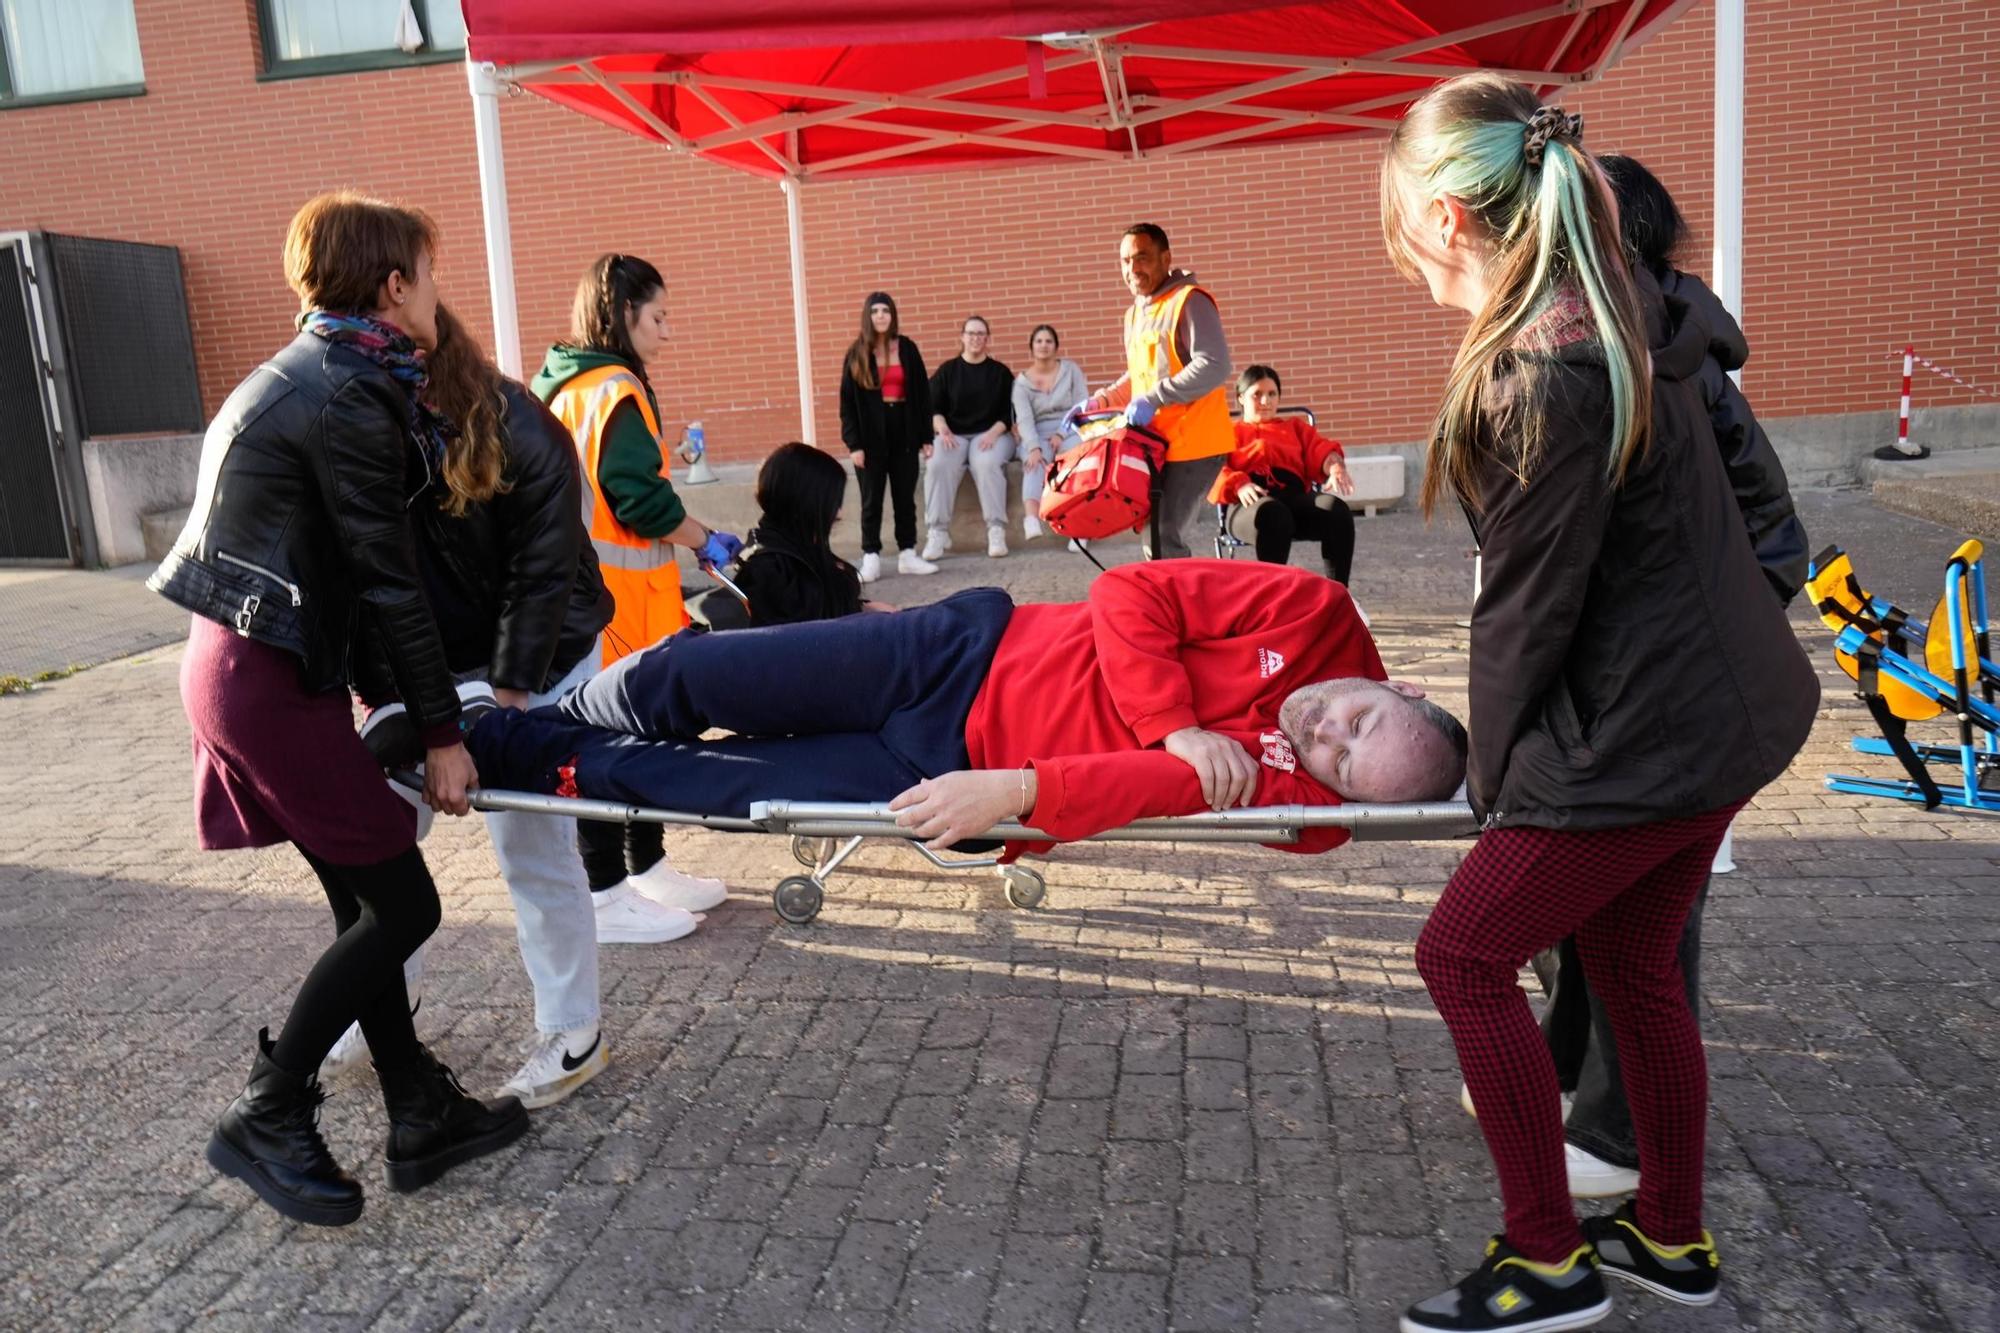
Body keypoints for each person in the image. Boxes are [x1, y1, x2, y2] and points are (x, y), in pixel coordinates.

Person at [1379, 76, 1818, 1333]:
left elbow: (1522, 614)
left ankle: (1545, 1262)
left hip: (1645, 736)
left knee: (1459, 955)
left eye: (1401, 221)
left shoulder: (1537, 370)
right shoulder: (1622, 305)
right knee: (1631, 963)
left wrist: (1492, 784)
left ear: (1451, 219)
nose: (1400, 252)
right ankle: (1670, 1236)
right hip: (1723, 720)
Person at [148, 192, 526, 1227]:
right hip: (264, 677)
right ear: (394, 285)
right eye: (430, 273)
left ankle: (417, 1112)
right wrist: (442, 734)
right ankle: (268, 1111)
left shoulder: (316, 372)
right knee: (406, 908)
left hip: (244, 662)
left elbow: (341, 573)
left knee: (366, 904)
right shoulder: (349, 393)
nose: (439, 295)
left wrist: (375, 693)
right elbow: (386, 577)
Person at [1520, 154, 1813, 1199]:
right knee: (1575, 910)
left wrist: (1685, 643)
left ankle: (1617, 1135)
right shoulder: (1593, 354)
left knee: (1643, 928)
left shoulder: (1672, 368)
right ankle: (1566, 1077)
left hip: (1671, 711)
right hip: (1605, 701)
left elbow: (1773, 536)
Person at [464, 561, 1468, 858]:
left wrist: (1017, 793)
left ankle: (494, 742)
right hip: (955, 650)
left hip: (946, 776)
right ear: (1400, 681)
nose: (1319, 734)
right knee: (711, 678)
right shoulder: (1316, 609)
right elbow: (1129, 596)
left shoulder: (1313, 799)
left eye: (1335, 761)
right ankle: (557, 703)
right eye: (1356, 720)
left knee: (714, 793)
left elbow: (1158, 792)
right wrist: (1175, 721)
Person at [346, 304, 676, 1110]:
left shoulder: (518, 426)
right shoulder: (356, 424)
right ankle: (379, 1000)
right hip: (436, 664)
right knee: (378, 832)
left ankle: (574, 1032)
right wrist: (399, 707)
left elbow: (541, 580)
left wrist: (496, 713)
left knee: (533, 845)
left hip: (540, 655)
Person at [531, 254, 735, 940]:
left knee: (629, 731)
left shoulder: (566, 386)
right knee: (604, 738)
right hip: (609, 606)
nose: (667, 332)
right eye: (659, 317)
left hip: (591, 598)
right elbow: (639, 498)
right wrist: (702, 535)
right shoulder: (615, 387)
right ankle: (606, 889)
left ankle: (644, 864)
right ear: (623, 313)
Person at [1067, 223, 1234, 559]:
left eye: (1142, 258)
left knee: (1162, 536)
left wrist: (1155, 397)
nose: (1132, 269)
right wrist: (1102, 400)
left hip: (1196, 446)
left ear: (1165, 258)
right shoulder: (1135, 314)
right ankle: (1176, 605)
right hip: (1157, 445)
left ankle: (1182, 607)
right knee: (1154, 537)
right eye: (1125, 261)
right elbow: (1141, 375)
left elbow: (1215, 365)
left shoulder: (1190, 301)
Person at [1212, 365, 1359, 582]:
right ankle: (1273, 600)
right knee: (1273, 514)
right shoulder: (1228, 432)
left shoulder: (1295, 428)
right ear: (1241, 398)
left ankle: (1339, 595)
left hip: (1294, 500)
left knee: (1336, 511)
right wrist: (1239, 483)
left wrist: (1335, 466)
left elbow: (1320, 450)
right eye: (1257, 394)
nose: (1266, 401)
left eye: (1272, 394)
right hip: (1248, 505)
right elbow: (1212, 469)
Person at [700, 442, 867, 629]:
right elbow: (806, 632)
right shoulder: (773, 569)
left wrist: (863, 609)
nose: (838, 513)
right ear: (808, 503)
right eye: (833, 503)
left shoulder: (790, 547)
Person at [839, 291, 939, 583]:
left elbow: (922, 394)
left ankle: (908, 554)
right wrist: (854, 444)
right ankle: (871, 557)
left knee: (904, 497)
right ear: (868, 317)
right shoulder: (857, 353)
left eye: (886, 310)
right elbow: (847, 403)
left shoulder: (907, 348)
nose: (881, 316)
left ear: (893, 315)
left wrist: (926, 436)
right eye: (875, 311)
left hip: (904, 431)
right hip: (870, 437)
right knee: (872, 499)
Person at [923, 315, 1019, 560]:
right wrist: (941, 428)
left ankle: (996, 530)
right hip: (953, 436)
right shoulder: (948, 371)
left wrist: (994, 432)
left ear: (987, 339)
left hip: (992, 434)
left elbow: (1009, 413)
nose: (976, 338)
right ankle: (937, 532)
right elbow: (933, 408)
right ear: (962, 337)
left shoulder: (1000, 373)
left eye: (981, 334)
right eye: (971, 333)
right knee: (937, 462)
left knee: (985, 461)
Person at [1009, 324, 1088, 542]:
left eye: (1048, 341)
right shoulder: (1021, 383)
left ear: (1056, 346)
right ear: (1032, 347)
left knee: (1075, 458)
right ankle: (1031, 520)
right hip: (1036, 432)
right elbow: (1024, 420)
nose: (1043, 345)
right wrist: (1033, 447)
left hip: (1070, 427)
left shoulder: (1071, 370)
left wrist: (1062, 433)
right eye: (1039, 341)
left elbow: (1081, 405)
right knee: (1034, 461)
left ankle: (1079, 527)